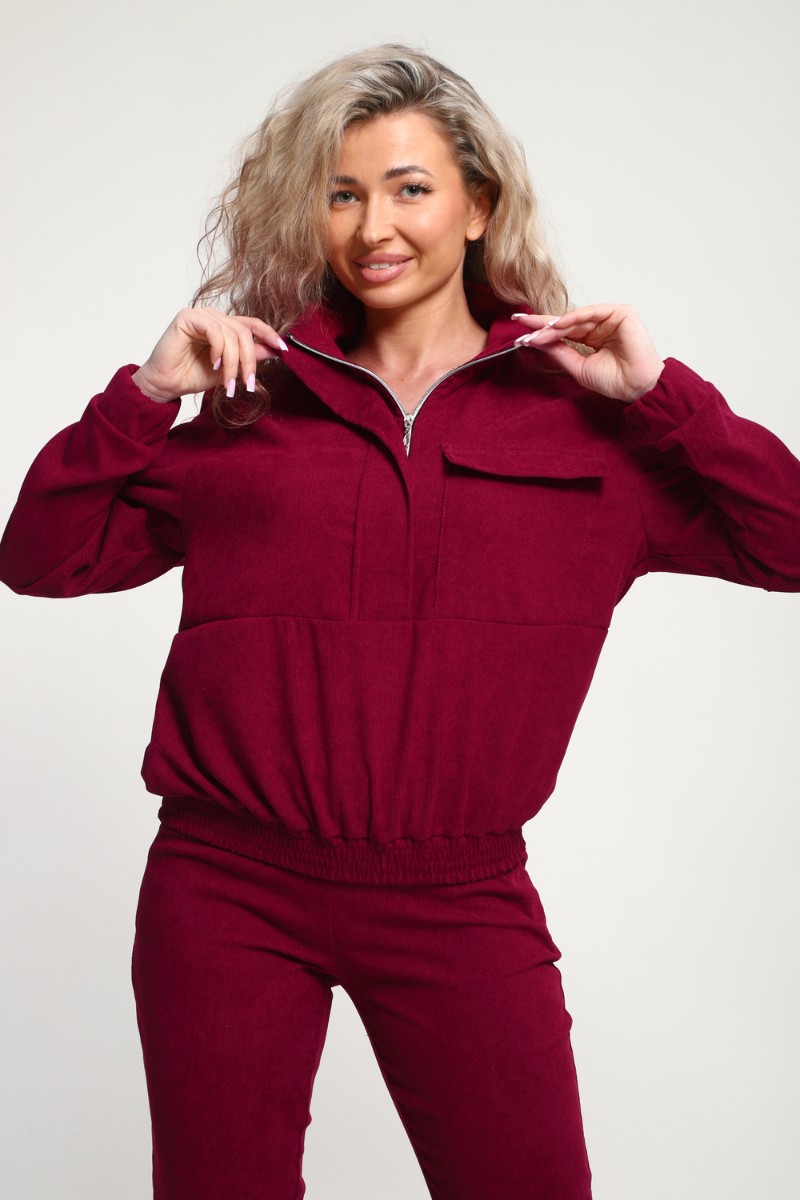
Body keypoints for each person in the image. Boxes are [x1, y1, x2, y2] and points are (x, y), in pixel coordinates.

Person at [1, 41, 799, 1200]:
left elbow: (785, 541)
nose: (373, 225)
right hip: (225, 887)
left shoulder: (587, 431)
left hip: (457, 895)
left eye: (409, 188)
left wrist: (663, 397)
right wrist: (145, 395)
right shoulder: (252, 409)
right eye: (341, 194)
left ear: (478, 206)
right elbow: (41, 558)